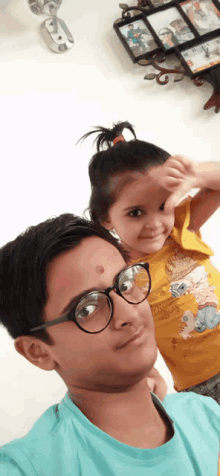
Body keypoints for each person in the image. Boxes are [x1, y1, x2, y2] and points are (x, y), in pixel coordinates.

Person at [0, 213, 220, 476]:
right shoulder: (30, 467)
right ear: (38, 352)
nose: (128, 313)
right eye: (87, 308)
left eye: (126, 283)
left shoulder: (206, 415)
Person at [80, 121, 220, 403]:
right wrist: (147, 373)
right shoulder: (116, 275)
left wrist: (196, 175)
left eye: (163, 206)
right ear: (106, 218)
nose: (154, 224)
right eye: (135, 213)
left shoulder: (182, 228)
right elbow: (124, 331)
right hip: (203, 386)